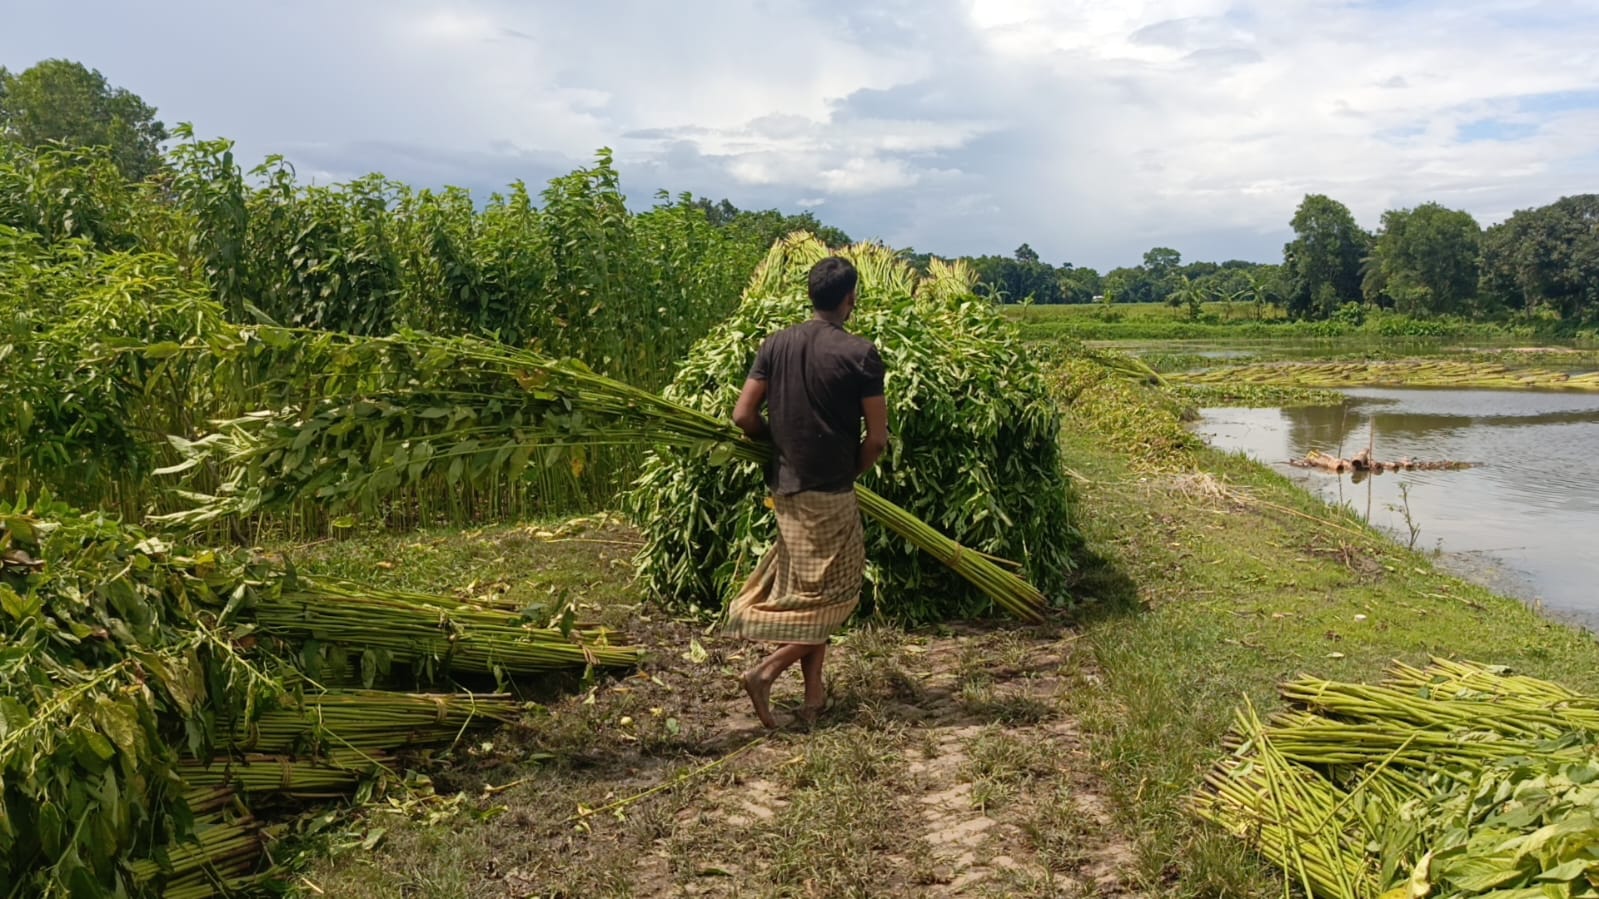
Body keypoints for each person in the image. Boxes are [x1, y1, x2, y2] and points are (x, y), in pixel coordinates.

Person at [727, 256, 889, 729]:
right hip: (832, 494)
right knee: (839, 597)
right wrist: (851, 473)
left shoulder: (774, 344)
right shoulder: (861, 354)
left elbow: (742, 416)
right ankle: (764, 673)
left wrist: (773, 443)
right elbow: (877, 439)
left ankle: (813, 699)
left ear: (811, 295)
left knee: (811, 598)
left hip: (788, 492)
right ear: (849, 298)